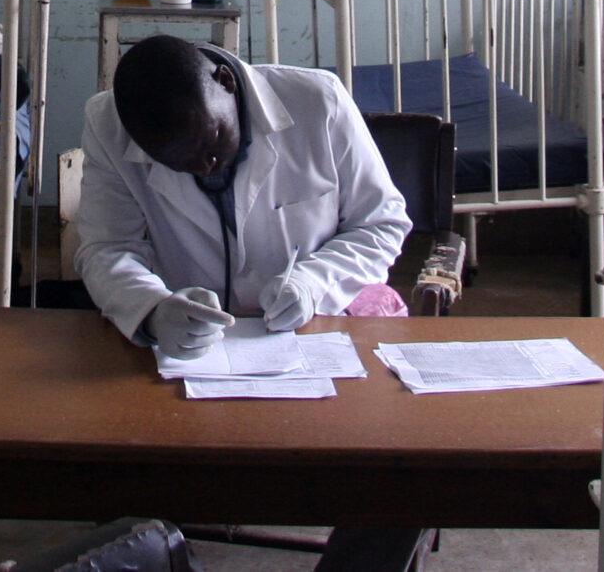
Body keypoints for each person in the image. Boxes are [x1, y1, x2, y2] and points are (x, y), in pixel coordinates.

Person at [74, 34, 422, 572]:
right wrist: (150, 308)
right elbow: (105, 248)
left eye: (212, 139)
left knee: (403, 475)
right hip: (186, 360)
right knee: (119, 470)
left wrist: (314, 283)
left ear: (227, 83)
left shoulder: (318, 102)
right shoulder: (107, 124)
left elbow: (381, 223)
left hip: (315, 339)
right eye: (179, 163)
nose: (206, 165)